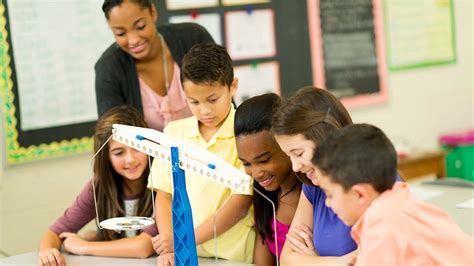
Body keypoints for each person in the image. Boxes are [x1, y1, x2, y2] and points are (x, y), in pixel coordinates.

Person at [150, 43, 255, 265]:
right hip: (187, 255)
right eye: (194, 102)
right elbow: (165, 195)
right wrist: (172, 243)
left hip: (235, 256)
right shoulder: (173, 133)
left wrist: (184, 241)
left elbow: (241, 202)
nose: (204, 110)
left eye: (212, 99)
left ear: (233, 86)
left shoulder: (246, 132)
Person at [313, 123, 474, 265]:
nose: (327, 203)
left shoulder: (381, 225)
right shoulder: (401, 197)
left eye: (330, 195)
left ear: (360, 195)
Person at [38, 106, 157, 266]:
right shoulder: (98, 188)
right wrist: (48, 252)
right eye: (119, 153)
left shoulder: (162, 183)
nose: (130, 159)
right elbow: (55, 232)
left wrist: (85, 246)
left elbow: (143, 247)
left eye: (137, 148)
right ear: (105, 157)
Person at [96, 0, 215, 131]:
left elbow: (223, 98)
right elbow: (112, 134)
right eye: (120, 33)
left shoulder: (193, 37)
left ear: (153, 12)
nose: (133, 40)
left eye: (140, 26)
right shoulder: (108, 68)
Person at [272, 86, 357, 265]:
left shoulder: (374, 184)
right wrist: (335, 263)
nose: (295, 167)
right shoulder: (313, 187)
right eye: (289, 156)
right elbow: (287, 259)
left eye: (299, 153)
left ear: (326, 138)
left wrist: (313, 261)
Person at [234, 93, 302, 265]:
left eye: (264, 160)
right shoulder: (264, 197)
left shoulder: (315, 195)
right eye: (246, 163)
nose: (256, 174)